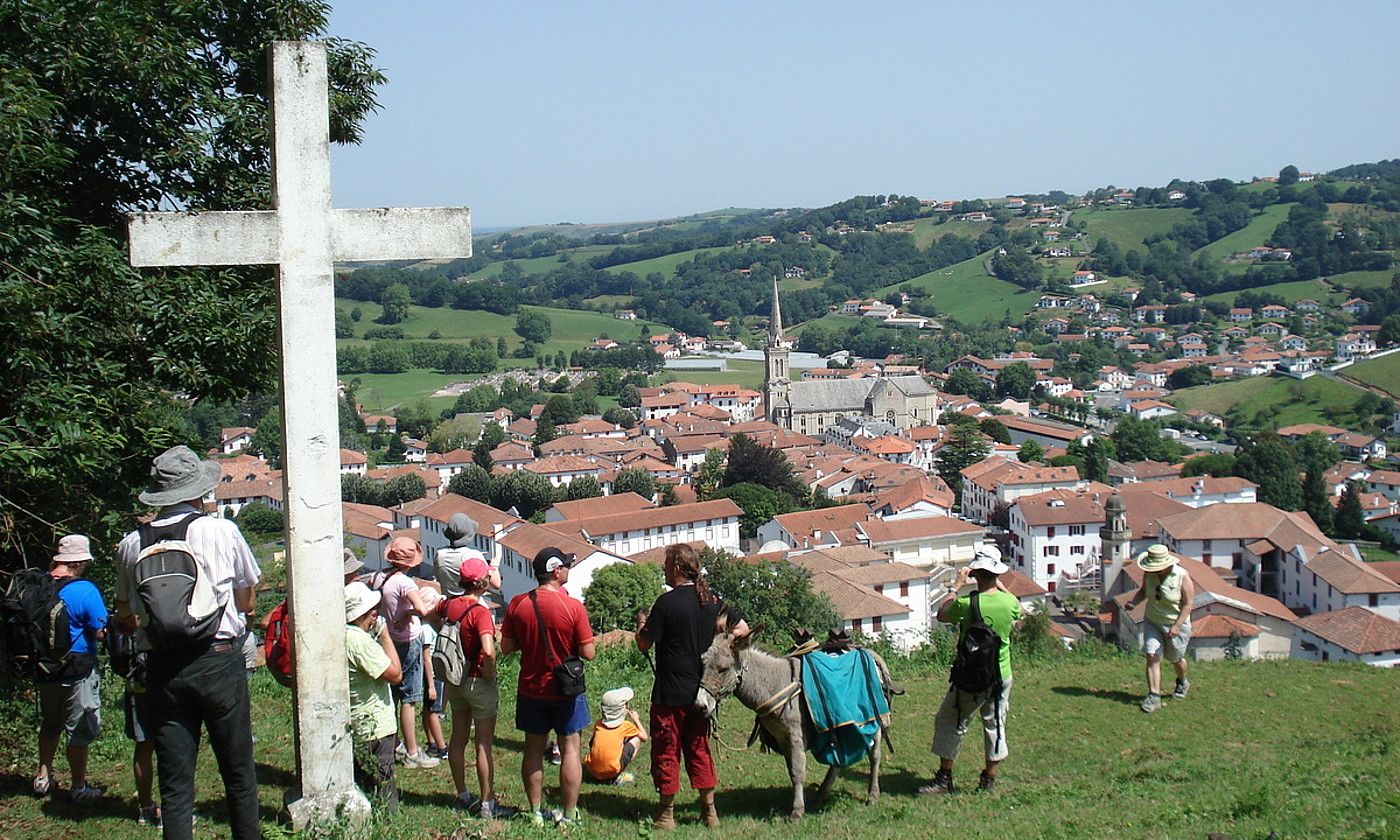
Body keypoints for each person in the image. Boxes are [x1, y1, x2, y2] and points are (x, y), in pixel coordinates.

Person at [115, 445, 261, 840]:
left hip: (162, 667)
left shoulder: (132, 544)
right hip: (218, 658)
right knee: (238, 773)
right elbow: (247, 595)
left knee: (176, 785)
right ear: (198, 490)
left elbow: (126, 611)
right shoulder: (221, 531)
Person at [636, 543, 746, 830]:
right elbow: (742, 629)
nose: (663, 567)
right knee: (699, 749)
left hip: (670, 692)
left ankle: (666, 815)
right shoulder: (711, 600)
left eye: (665, 563)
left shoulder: (666, 603)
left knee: (666, 750)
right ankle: (710, 813)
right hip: (701, 692)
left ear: (675, 568)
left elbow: (644, 642)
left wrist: (642, 625)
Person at [500, 547, 596, 826]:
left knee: (532, 751)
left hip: (531, 687)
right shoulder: (573, 606)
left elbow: (506, 647)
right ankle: (568, 814)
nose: (568, 569)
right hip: (565, 690)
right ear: (556, 571)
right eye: (566, 565)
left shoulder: (519, 604)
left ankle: (535, 812)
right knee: (570, 750)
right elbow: (588, 653)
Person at [919, 547, 1020, 796]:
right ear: (996, 572)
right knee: (995, 724)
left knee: (950, 721)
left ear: (975, 572)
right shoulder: (1010, 604)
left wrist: (956, 586)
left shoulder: (966, 603)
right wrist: (1000, 583)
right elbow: (1017, 606)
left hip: (970, 677)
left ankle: (944, 778)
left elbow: (941, 614)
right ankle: (989, 780)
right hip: (1001, 674)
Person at [436, 554, 515, 818]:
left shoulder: (450, 605)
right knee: (483, 744)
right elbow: (489, 650)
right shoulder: (480, 612)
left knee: (458, 739)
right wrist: (490, 673)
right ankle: (487, 803)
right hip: (477, 680)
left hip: (454, 680)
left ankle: (461, 793)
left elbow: (433, 614)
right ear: (482, 582)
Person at [33, 534, 107, 804]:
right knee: (78, 727)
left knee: (50, 722)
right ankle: (78, 786)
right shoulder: (84, 589)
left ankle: (43, 775)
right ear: (81, 562)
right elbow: (100, 631)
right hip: (77, 669)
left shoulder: (38, 586)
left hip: (43, 668)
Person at [369, 537, 439, 769]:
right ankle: (412, 751)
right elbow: (421, 610)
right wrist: (408, 615)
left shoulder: (379, 577)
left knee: (391, 694)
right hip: (407, 642)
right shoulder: (405, 583)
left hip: (386, 639)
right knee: (409, 699)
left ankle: (396, 743)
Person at [344, 581, 403, 808]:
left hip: (357, 722)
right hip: (375, 725)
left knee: (364, 780)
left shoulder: (346, 636)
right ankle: (387, 824)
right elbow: (395, 674)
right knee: (384, 783)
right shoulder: (360, 642)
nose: (375, 614)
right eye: (371, 611)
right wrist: (386, 637)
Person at [1124, 544, 1195, 713]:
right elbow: (1143, 591)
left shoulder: (1182, 576)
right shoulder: (1149, 573)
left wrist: (1177, 626)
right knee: (1152, 655)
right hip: (1152, 620)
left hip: (1175, 624)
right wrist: (1134, 602)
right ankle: (1153, 696)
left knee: (1175, 658)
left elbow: (1188, 604)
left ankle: (1182, 680)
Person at [109, 623, 159, 826]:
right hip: (162, 682)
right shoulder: (159, 597)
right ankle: (172, 809)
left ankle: (145, 807)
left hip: (135, 683)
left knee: (144, 745)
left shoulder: (125, 601)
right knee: (170, 745)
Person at [584, 687, 648, 786]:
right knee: (636, 739)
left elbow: (591, 744)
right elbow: (644, 737)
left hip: (592, 771)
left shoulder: (598, 724)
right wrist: (636, 719)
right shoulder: (626, 726)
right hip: (611, 772)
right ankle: (616, 776)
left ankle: (599, 770)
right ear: (623, 708)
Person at [436, 513, 499, 597]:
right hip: (469, 602)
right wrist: (494, 565)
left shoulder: (439, 554)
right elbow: (496, 584)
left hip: (448, 603)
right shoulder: (473, 555)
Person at [419, 620, 448, 759]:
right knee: (434, 712)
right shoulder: (426, 629)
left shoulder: (432, 627)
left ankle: (432, 744)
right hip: (432, 677)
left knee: (428, 709)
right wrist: (431, 685)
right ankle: (442, 747)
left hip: (435, 676)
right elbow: (426, 658)